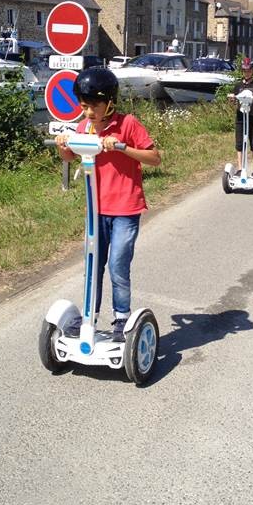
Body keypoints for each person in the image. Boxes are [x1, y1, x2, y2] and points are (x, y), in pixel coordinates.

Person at [55, 67, 161, 341]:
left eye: (93, 107)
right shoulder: (84, 127)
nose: (88, 112)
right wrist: (62, 143)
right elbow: (68, 156)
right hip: (96, 210)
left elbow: (154, 158)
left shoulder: (128, 125)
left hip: (125, 208)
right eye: (83, 106)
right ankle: (89, 318)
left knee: (117, 264)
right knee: (93, 264)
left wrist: (121, 147)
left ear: (110, 103)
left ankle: (121, 319)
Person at [227, 56, 253, 174]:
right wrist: (231, 98)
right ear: (242, 71)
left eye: (249, 70)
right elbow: (234, 100)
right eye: (244, 71)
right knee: (239, 143)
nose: (247, 73)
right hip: (240, 117)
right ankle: (240, 168)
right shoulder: (238, 85)